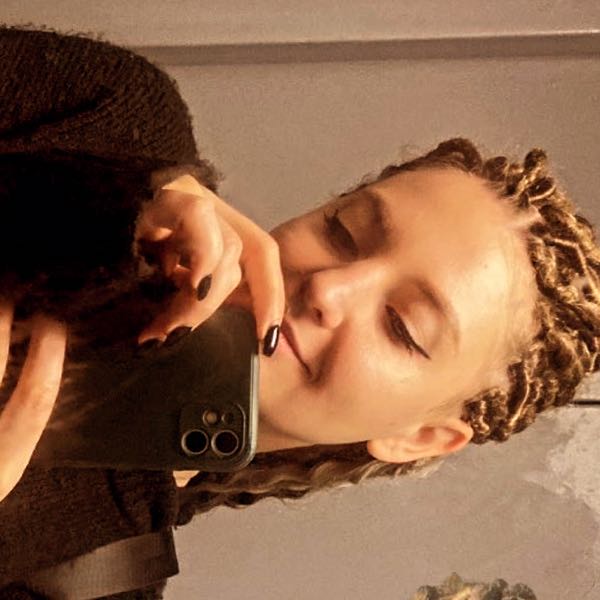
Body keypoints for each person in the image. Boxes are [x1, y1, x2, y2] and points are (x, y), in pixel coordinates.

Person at [1, 25, 599, 598]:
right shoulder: (111, 112)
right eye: (342, 231)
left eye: (402, 327)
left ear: (417, 436)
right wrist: (89, 198)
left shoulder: (89, 585)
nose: (329, 289)